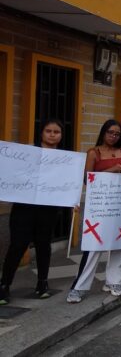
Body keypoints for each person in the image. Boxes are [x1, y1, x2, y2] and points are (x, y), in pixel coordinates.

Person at [67, 120, 121, 304]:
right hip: (100, 205)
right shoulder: (93, 153)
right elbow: (88, 179)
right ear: (103, 132)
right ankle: (79, 287)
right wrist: (112, 170)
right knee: (94, 245)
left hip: (120, 204)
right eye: (110, 132)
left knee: (120, 243)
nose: (113, 136)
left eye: (117, 133)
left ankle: (114, 282)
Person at [1, 120, 65, 304]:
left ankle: (42, 283)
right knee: (17, 245)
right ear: (41, 133)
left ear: (61, 135)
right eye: (48, 131)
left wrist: (71, 200)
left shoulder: (66, 159)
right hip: (23, 208)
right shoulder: (27, 152)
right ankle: (4, 285)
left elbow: (68, 183)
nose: (52, 134)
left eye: (56, 131)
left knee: (44, 245)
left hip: (48, 209)